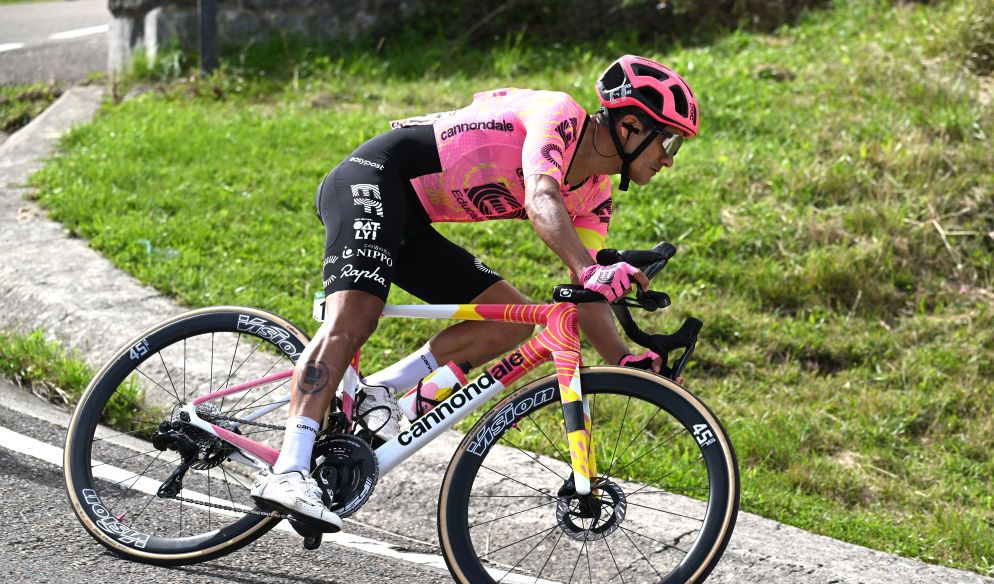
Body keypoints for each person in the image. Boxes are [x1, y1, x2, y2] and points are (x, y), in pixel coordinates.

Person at [250, 55, 701, 531]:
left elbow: (581, 292)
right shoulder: (560, 116)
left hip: (412, 221)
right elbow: (541, 199)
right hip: (372, 178)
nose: (669, 158)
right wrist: (592, 270)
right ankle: (290, 470)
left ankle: (381, 393)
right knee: (356, 317)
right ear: (630, 126)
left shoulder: (594, 195)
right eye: (667, 141)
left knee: (512, 320)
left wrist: (623, 357)